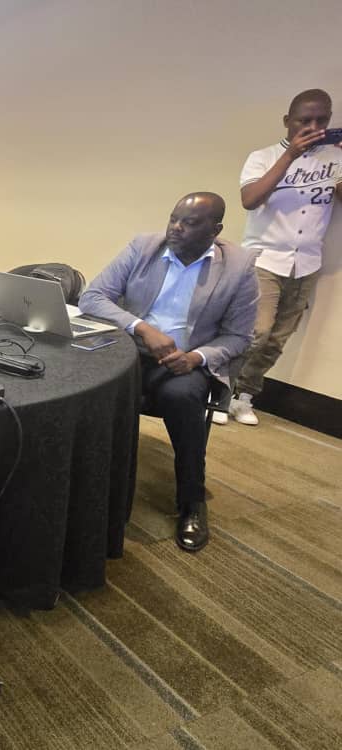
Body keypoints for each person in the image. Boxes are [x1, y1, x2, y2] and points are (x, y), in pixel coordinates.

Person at [79, 192, 259, 553]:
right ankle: (87, 488)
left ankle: (192, 501)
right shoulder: (144, 247)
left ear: (215, 230)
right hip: (129, 350)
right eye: (174, 218)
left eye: (189, 223)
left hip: (185, 361)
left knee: (182, 397)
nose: (176, 228)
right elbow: (93, 297)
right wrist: (142, 328)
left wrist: (197, 358)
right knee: (85, 384)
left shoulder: (239, 267)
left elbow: (240, 336)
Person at [227, 88, 342, 426]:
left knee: (277, 340)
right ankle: (220, 390)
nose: (313, 127)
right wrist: (290, 155)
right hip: (265, 258)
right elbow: (250, 199)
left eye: (321, 120)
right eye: (305, 120)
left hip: (306, 262)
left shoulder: (335, 159)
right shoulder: (262, 157)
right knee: (257, 333)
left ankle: (243, 395)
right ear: (287, 121)